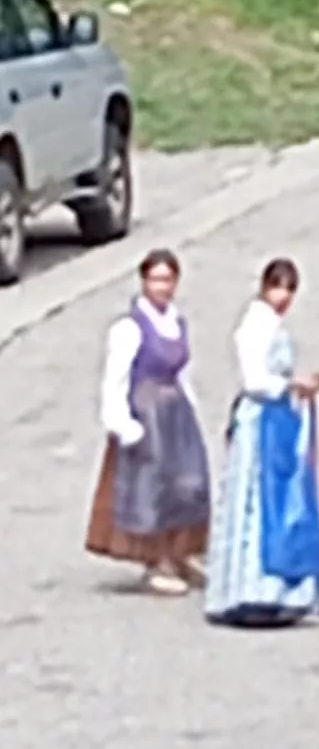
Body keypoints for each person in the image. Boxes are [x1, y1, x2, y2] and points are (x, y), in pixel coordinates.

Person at [206, 259, 319, 628]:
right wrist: (294, 385)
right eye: (277, 287)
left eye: (289, 289)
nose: (283, 296)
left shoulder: (269, 323)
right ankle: (257, 588)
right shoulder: (254, 326)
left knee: (282, 499)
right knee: (263, 502)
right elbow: (254, 381)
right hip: (260, 420)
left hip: (278, 416)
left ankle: (281, 590)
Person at [86, 248, 210, 596]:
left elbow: (182, 371)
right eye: (155, 280)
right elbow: (115, 379)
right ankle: (155, 561)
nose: (162, 287)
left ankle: (179, 552)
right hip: (146, 413)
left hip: (175, 414)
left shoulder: (176, 322)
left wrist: (189, 405)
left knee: (187, 482)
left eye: (168, 280)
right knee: (150, 487)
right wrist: (122, 423)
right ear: (144, 282)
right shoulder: (130, 329)